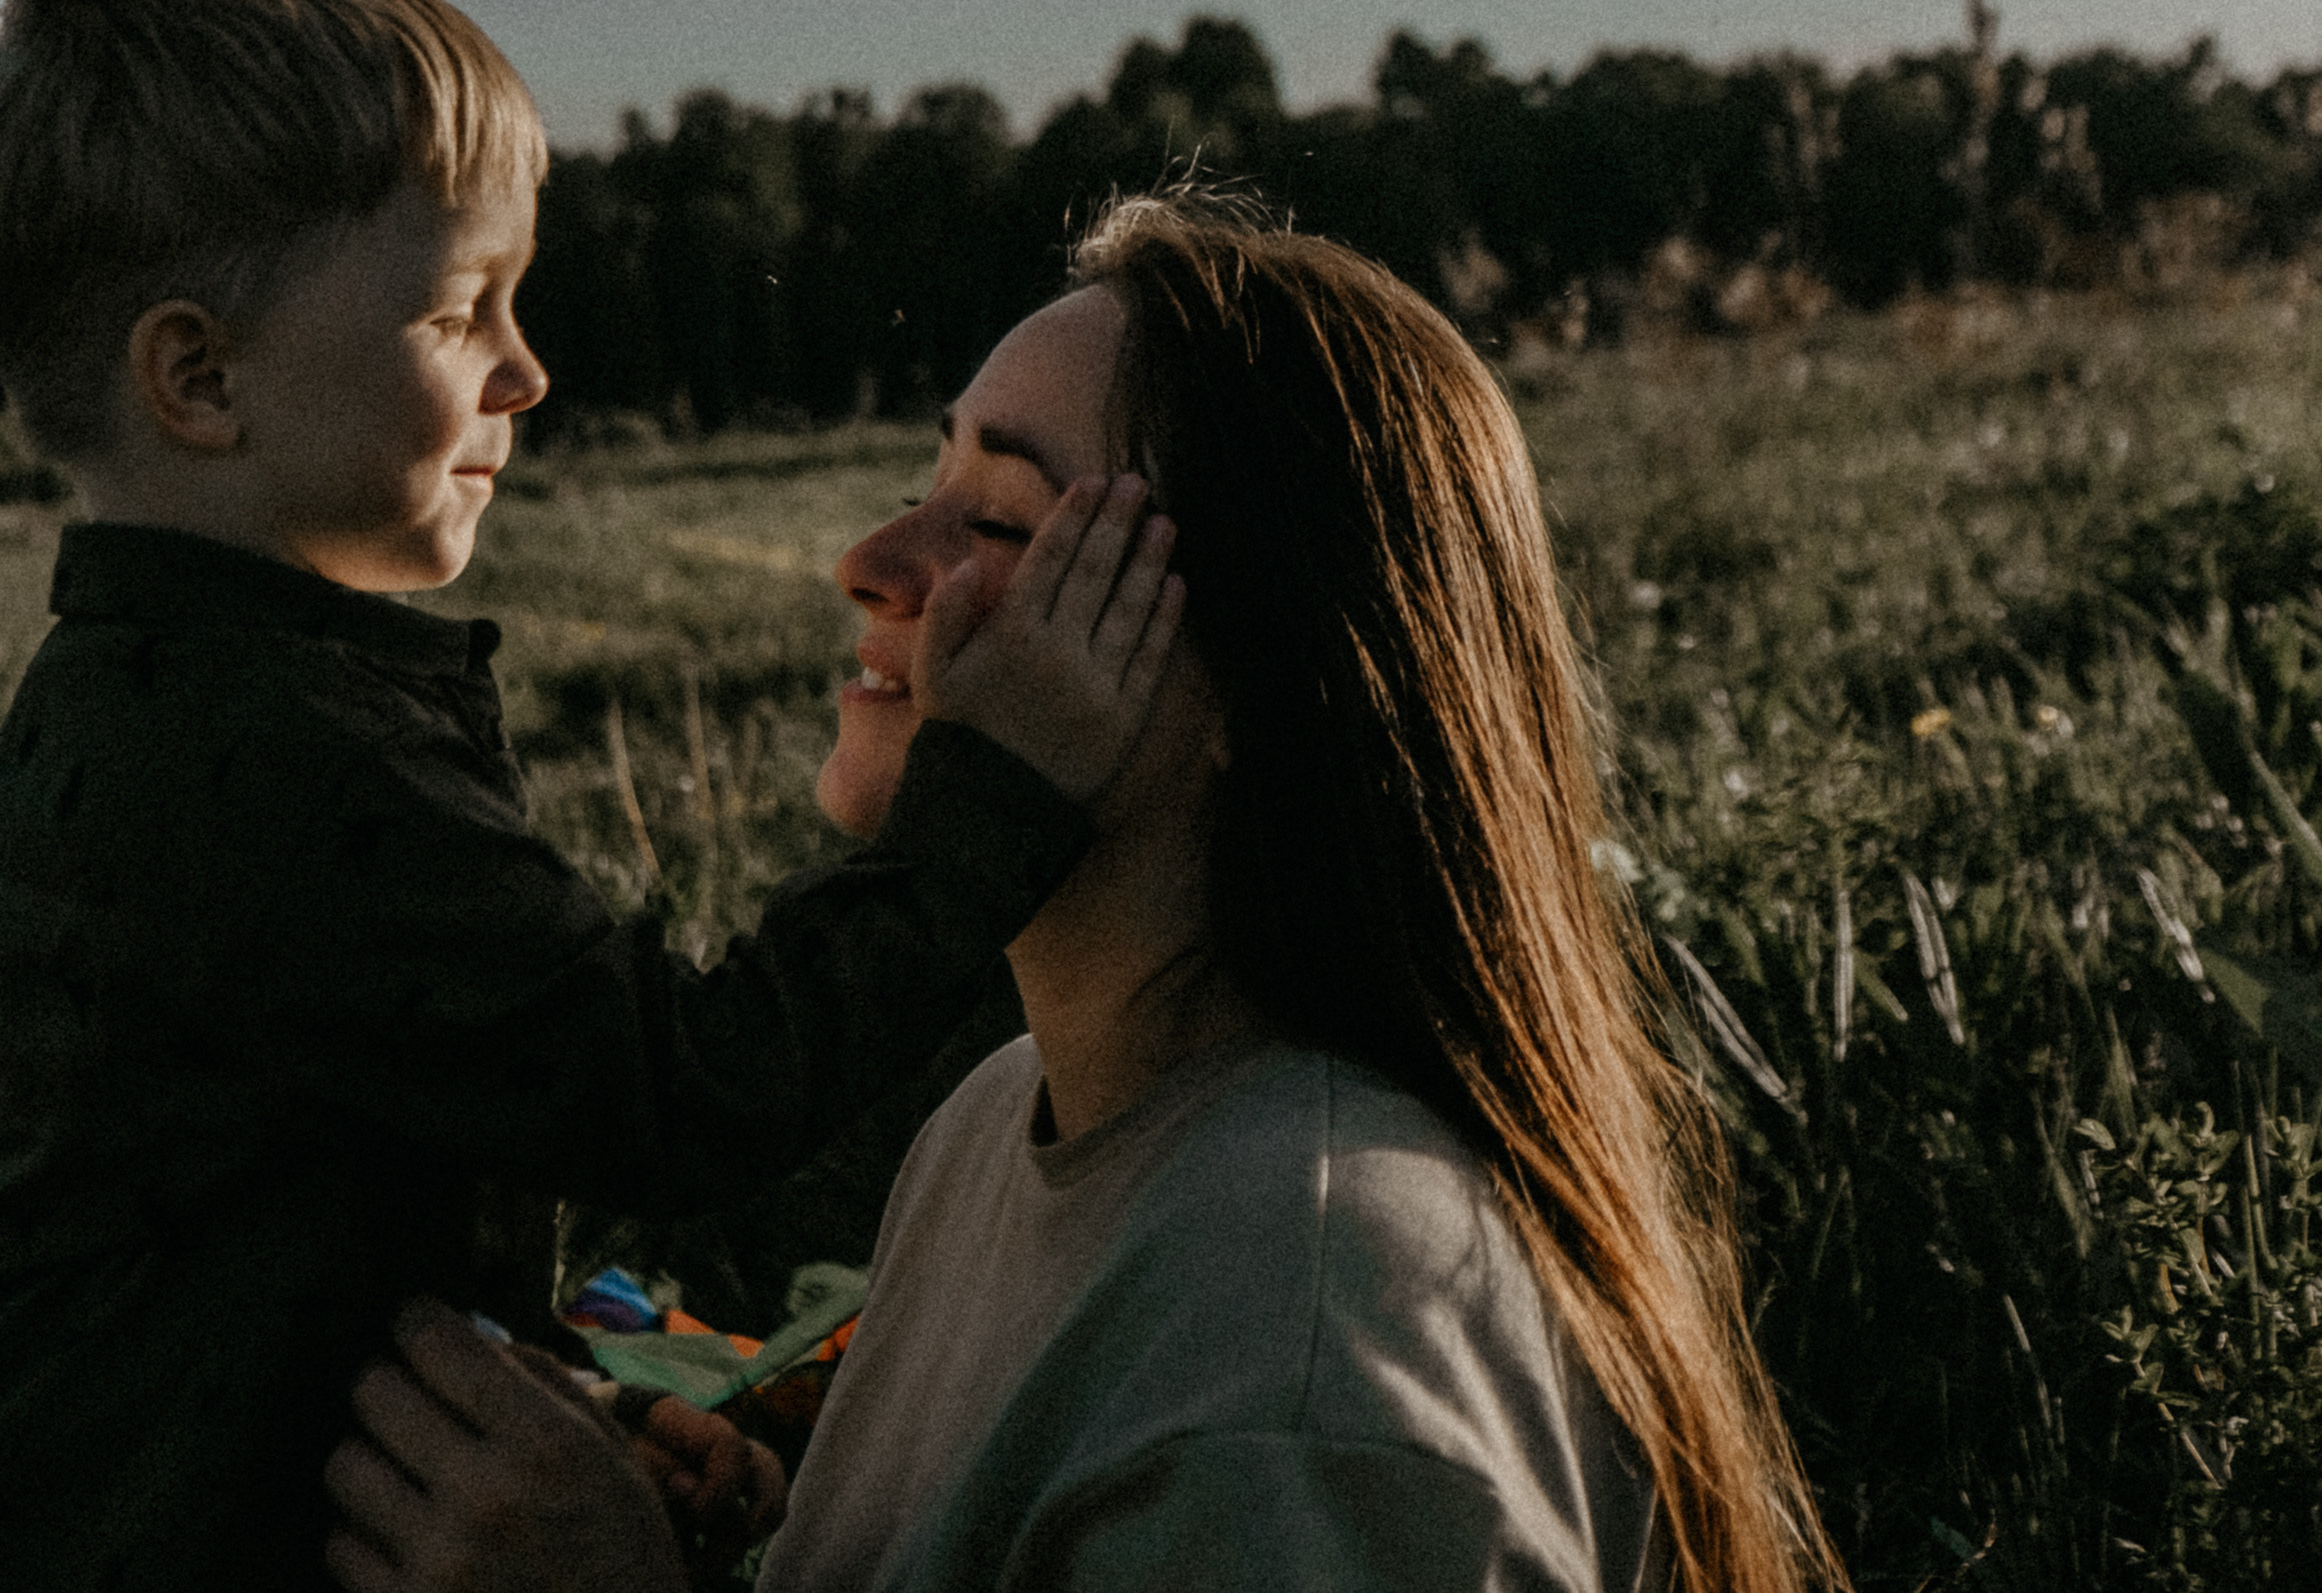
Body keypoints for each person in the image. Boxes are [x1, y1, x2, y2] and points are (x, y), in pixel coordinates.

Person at [326, 195, 1844, 1593]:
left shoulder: (1309, 1346)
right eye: (924, 484)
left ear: (1269, 674)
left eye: (998, 523)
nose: (867, 559)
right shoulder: (1003, 1122)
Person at [0, 0, 1181, 1593]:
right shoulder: (268, 759)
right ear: (201, 377)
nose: (527, 371)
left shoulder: (136, 703)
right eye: (459, 308)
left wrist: (560, 1404)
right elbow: (679, 1097)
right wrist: (993, 795)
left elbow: (291, 1211)